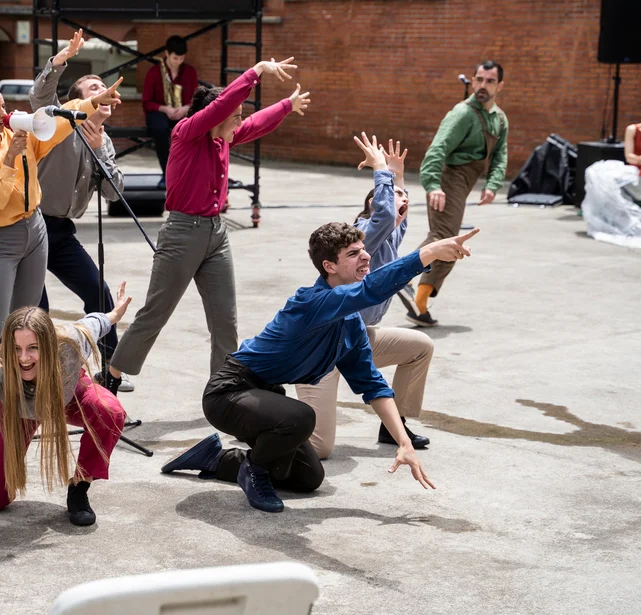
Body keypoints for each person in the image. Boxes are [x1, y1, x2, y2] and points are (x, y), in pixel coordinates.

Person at [163, 224, 482, 512]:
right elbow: (371, 290)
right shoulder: (311, 301)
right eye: (353, 253)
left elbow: (372, 384)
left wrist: (404, 442)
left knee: (308, 478)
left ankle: (216, 458)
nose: (365, 256)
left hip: (264, 396)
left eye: (363, 249)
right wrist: (429, 253)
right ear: (329, 266)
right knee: (301, 417)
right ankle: (254, 471)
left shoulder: (351, 324)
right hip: (229, 392)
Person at [106, 58, 309, 391]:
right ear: (217, 115)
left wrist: (287, 105)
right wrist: (256, 71)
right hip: (182, 234)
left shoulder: (222, 139)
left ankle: (223, 389)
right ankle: (111, 376)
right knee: (156, 313)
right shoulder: (185, 133)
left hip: (216, 234)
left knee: (225, 319)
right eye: (235, 116)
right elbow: (225, 105)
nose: (239, 121)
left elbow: (255, 124)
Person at [0, 78, 123, 388]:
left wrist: (91, 104)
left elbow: (59, 123)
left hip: (36, 229)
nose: (4, 113)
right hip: (2, 239)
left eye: (3, 105)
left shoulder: (19, 136)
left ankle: (23, 382)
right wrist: (9, 160)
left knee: (29, 318)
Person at [0, 284, 132, 526]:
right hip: (15, 410)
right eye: (16, 349)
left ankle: (80, 486)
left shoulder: (71, 342)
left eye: (33, 348)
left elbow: (97, 322)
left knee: (110, 411)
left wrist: (116, 313)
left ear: (48, 345)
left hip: (63, 395)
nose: (24, 358)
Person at [296, 134, 434, 458]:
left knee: (421, 347)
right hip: (322, 347)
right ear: (373, 203)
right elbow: (385, 214)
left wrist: (398, 175)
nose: (401, 199)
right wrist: (381, 170)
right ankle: (266, 421)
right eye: (393, 194)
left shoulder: (390, 235)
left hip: (358, 339)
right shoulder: (362, 234)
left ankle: (394, 426)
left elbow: (397, 218)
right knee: (319, 449)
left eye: (403, 196)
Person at [28, 29, 128, 387]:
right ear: (79, 101)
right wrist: (60, 59)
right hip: (31, 224)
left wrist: (100, 149)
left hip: (61, 230)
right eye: (93, 88)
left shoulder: (105, 140)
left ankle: (110, 369)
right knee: (35, 308)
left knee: (98, 293)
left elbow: (115, 194)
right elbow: (40, 96)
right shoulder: (61, 122)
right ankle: (35, 375)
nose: (104, 91)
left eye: (104, 86)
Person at [412, 60, 507, 327]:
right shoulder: (462, 113)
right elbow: (437, 148)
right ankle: (402, 281)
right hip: (448, 178)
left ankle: (415, 296)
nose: (483, 86)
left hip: (466, 183)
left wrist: (493, 185)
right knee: (446, 240)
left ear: (500, 86)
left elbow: (500, 155)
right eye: (479, 80)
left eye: (490, 81)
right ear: (473, 81)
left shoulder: (499, 119)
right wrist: (433, 185)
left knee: (447, 240)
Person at [141, 35, 198, 177]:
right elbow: (147, 102)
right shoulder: (154, 72)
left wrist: (185, 108)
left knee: (193, 128)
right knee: (160, 129)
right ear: (166, 53)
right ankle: (168, 173)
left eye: (181, 58)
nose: (178, 62)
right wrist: (165, 109)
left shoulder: (190, 72)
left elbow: (196, 98)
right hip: (161, 112)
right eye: (175, 58)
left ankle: (187, 172)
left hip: (183, 110)